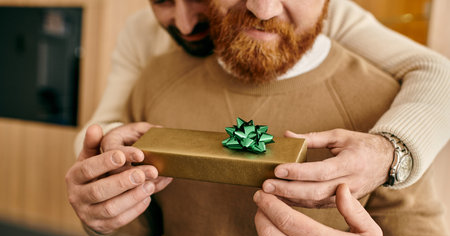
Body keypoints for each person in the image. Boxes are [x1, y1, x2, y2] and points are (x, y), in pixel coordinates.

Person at [66, 0, 450, 236]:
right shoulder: (156, 79)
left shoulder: (385, 104)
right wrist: (101, 215)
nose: (262, 10)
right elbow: (133, 235)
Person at [73, 0, 450, 199]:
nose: (186, 25)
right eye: (163, 1)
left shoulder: (312, 14)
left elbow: (438, 74)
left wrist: (389, 152)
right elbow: (105, 122)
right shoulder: (142, 35)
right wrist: (108, 153)